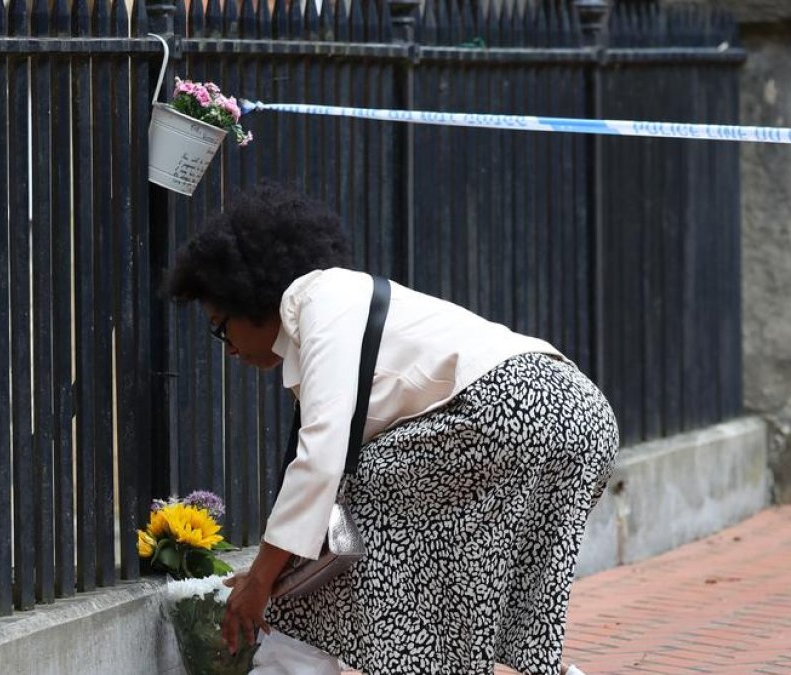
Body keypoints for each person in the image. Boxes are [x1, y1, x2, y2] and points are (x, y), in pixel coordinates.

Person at [164, 183, 618, 675]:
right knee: (453, 565)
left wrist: (260, 581)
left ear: (249, 297)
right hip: (583, 418)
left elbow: (322, 461)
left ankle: (292, 662)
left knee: (352, 500)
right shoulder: (344, 306)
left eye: (221, 326)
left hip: (518, 408)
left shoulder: (320, 302)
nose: (228, 347)